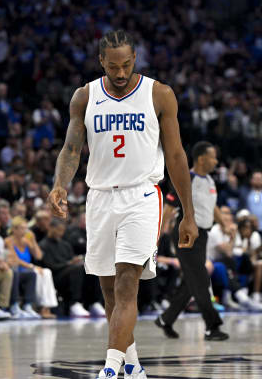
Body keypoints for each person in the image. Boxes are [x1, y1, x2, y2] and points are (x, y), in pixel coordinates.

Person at [48, 29, 198, 379]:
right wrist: (59, 184)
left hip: (142, 195)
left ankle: (111, 369)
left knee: (127, 281)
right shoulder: (84, 96)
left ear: (135, 60)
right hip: (99, 196)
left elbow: (176, 155)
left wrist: (189, 214)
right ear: (101, 61)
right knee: (109, 289)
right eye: (113, 66)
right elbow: (71, 149)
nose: (119, 73)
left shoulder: (159, 94)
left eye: (126, 65)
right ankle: (132, 364)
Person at [155, 141, 229, 341]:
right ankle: (212, 327)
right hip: (186, 234)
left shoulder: (210, 181)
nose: (216, 161)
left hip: (202, 235)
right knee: (201, 279)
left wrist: (223, 223)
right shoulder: (186, 178)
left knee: (192, 281)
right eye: (213, 156)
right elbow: (169, 207)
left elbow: (212, 206)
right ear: (202, 158)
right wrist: (159, 234)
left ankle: (166, 319)